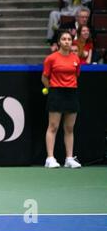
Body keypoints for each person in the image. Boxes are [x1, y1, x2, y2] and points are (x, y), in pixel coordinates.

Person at [42, 31, 82, 169]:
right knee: (53, 126)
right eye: (64, 39)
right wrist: (52, 90)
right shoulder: (51, 59)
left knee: (69, 128)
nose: (67, 41)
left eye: (69, 39)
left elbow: (76, 76)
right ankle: (50, 158)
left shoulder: (76, 59)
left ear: (72, 42)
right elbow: (44, 77)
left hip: (71, 93)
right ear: (59, 42)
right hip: (56, 93)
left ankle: (69, 158)